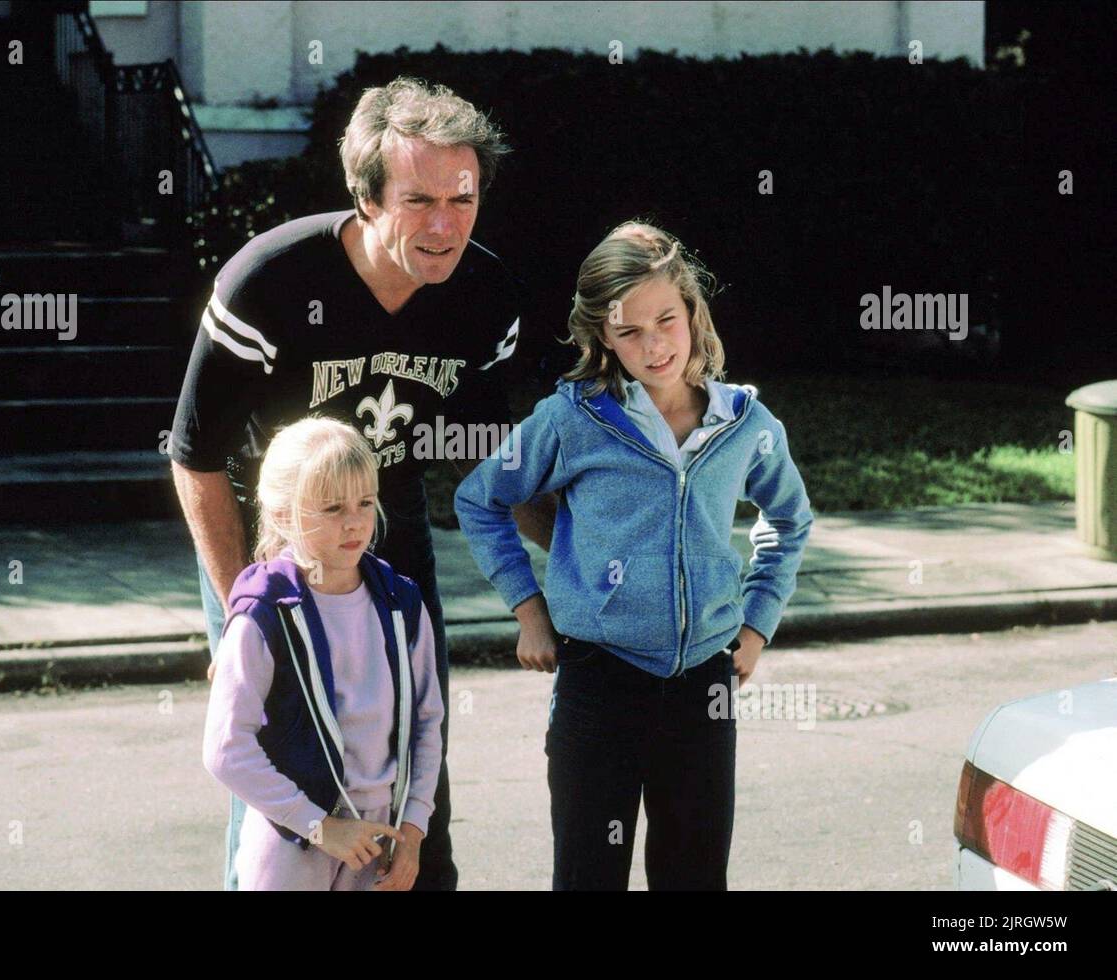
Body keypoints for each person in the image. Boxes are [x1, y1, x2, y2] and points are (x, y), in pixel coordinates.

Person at [170, 76, 557, 890]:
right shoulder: (268, 282)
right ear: (367, 197)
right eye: (419, 200)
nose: (446, 224)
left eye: (463, 196)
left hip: (388, 510)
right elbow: (195, 454)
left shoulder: (484, 298)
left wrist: (585, 566)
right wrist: (245, 600)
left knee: (417, 736)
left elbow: (490, 455)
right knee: (280, 752)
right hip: (269, 530)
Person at [454, 220, 814, 890]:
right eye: (628, 331)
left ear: (694, 312)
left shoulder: (747, 427)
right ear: (599, 336)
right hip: (598, 686)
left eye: (667, 321)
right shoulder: (570, 421)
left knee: (694, 876)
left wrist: (759, 621)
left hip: (703, 691)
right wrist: (529, 611)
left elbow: (790, 520)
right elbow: (481, 498)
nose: (653, 347)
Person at [203, 417, 443, 891]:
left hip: (382, 837)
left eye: (365, 503)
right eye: (332, 507)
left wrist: (414, 828)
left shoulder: (401, 602)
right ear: (283, 513)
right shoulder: (263, 612)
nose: (354, 522)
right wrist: (317, 825)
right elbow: (226, 748)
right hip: (293, 837)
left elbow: (427, 721)